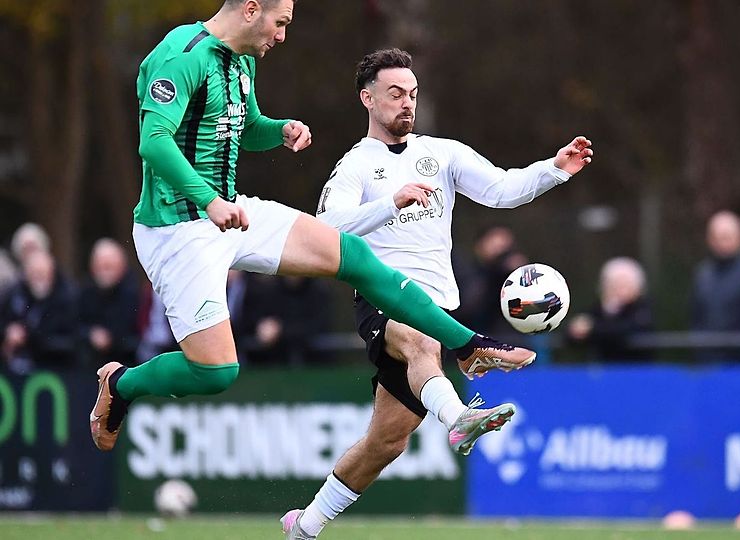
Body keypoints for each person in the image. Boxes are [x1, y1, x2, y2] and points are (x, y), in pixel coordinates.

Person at [89, 0, 537, 454]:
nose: (282, 35)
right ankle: (122, 384)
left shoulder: (242, 58)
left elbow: (242, 128)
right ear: (250, 9)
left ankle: (467, 345)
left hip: (230, 212)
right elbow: (154, 142)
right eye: (280, 23)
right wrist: (208, 201)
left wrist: (278, 130)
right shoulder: (180, 55)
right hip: (177, 228)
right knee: (216, 373)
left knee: (353, 255)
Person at [281, 48, 593, 539]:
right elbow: (327, 228)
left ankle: (305, 525)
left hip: (439, 302)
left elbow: (502, 189)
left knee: (385, 443)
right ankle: (461, 416)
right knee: (422, 342)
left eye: (412, 94)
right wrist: (389, 202)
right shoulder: (356, 167)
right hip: (384, 299)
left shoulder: (443, 153)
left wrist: (554, 168)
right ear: (367, 99)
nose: (407, 103)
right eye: (395, 94)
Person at [690, 210, 740, 361]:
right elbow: (696, 314)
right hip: (708, 360)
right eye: (716, 237)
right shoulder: (703, 272)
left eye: (726, 237)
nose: (721, 243)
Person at [0, 250, 76, 372]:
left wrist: (29, 337)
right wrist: (7, 333)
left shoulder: (67, 296)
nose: (39, 277)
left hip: (54, 368)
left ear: (52, 273)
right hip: (14, 368)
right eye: (35, 273)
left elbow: (69, 340)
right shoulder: (14, 293)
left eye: (43, 273)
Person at [565, 256, 653, 361]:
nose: (620, 290)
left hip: (638, 370)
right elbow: (571, 335)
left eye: (625, 284)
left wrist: (592, 329)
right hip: (602, 372)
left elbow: (624, 330)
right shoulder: (598, 309)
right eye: (614, 285)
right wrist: (576, 330)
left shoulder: (642, 309)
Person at [77, 238, 141, 366]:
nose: (104, 272)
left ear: (121, 266)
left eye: (109, 267)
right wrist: (90, 335)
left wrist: (112, 340)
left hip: (126, 363)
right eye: (101, 266)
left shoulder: (133, 294)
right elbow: (75, 325)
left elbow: (137, 334)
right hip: (90, 364)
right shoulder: (85, 292)